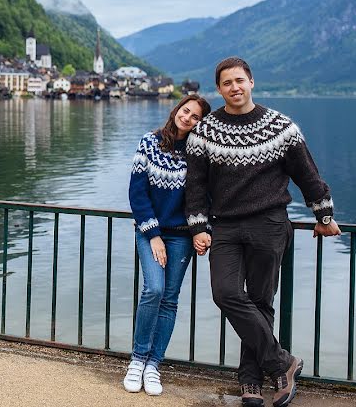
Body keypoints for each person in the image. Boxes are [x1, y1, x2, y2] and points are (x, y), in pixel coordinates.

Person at [184, 57, 341, 407]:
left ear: (251, 82)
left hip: (269, 224)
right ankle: (282, 363)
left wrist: (324, 214)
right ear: (219, 89)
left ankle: (251, 382)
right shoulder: (204, 131)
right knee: (225, 293)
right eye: (227, 83)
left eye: (239, 80)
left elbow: (307, 175)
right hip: (224, 226)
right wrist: (198, 226)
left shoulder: (281, 127)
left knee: (260, 303)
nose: (234, 88)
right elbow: (194, 186)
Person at [123, 94, 211, 395]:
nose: (188, 118)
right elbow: (137, 194)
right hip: (152, 232)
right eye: (185, 111)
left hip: (183, 235)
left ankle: (153, 365)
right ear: (176, 110)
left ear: (200, 123)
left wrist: (202, 230)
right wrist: (154, 235)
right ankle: (137, 359)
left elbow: (202, 197)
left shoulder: (198, 153)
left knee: (170, 298)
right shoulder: (149, 142)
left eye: (195, 117)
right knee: (154, 290)